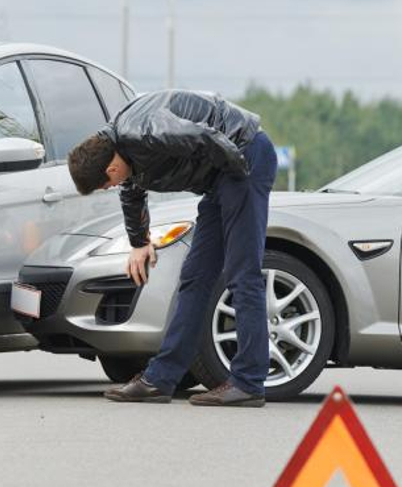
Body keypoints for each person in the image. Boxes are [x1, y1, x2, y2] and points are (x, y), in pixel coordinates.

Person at [68, 90, 277, 407]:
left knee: (242, 272)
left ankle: (248, 382)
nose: (111, 187)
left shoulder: (147, 131)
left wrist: (240, 178)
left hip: (243, 159)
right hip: (222, 177)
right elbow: (132, 191)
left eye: (105, 185)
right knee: (194, 276)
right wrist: (139, 243)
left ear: (110, 169)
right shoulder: (120, 147)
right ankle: (160, 379)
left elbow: (204, 136)